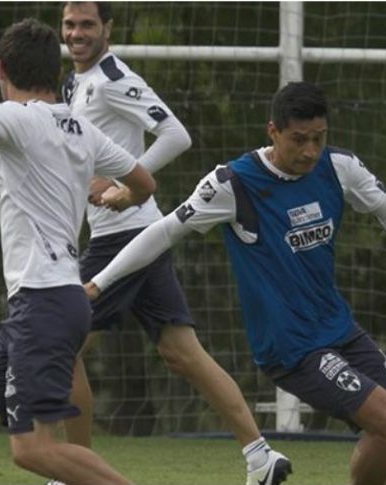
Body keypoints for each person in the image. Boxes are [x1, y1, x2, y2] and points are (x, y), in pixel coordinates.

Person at [83, 81, 386, 485]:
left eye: (319, 138)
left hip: (339, 328)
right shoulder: (233, 184)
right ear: (273, 131)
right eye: (299, 140)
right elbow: (163, 232)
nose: (310, 151)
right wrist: (99, 284)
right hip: (291, 346)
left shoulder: (339, 167)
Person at [59, 3, 290, 484]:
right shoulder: (75, 83)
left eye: (87, 25)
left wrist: (127, 186)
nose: (77, 33)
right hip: (131, 235)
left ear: (108, 29)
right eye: (69, 25)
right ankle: (261, 457)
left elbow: (175, 135)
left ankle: (73, 472)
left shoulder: (114, 76)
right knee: (182, 352)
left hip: (127, 235)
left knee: (61, 344)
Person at [0, 18, 157, 485]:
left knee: (32, 450)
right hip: (53, 299)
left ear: (2, 71)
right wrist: (121, 196)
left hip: (43, 301)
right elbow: (144, 182)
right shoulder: (81, 127)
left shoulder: (16, 118)